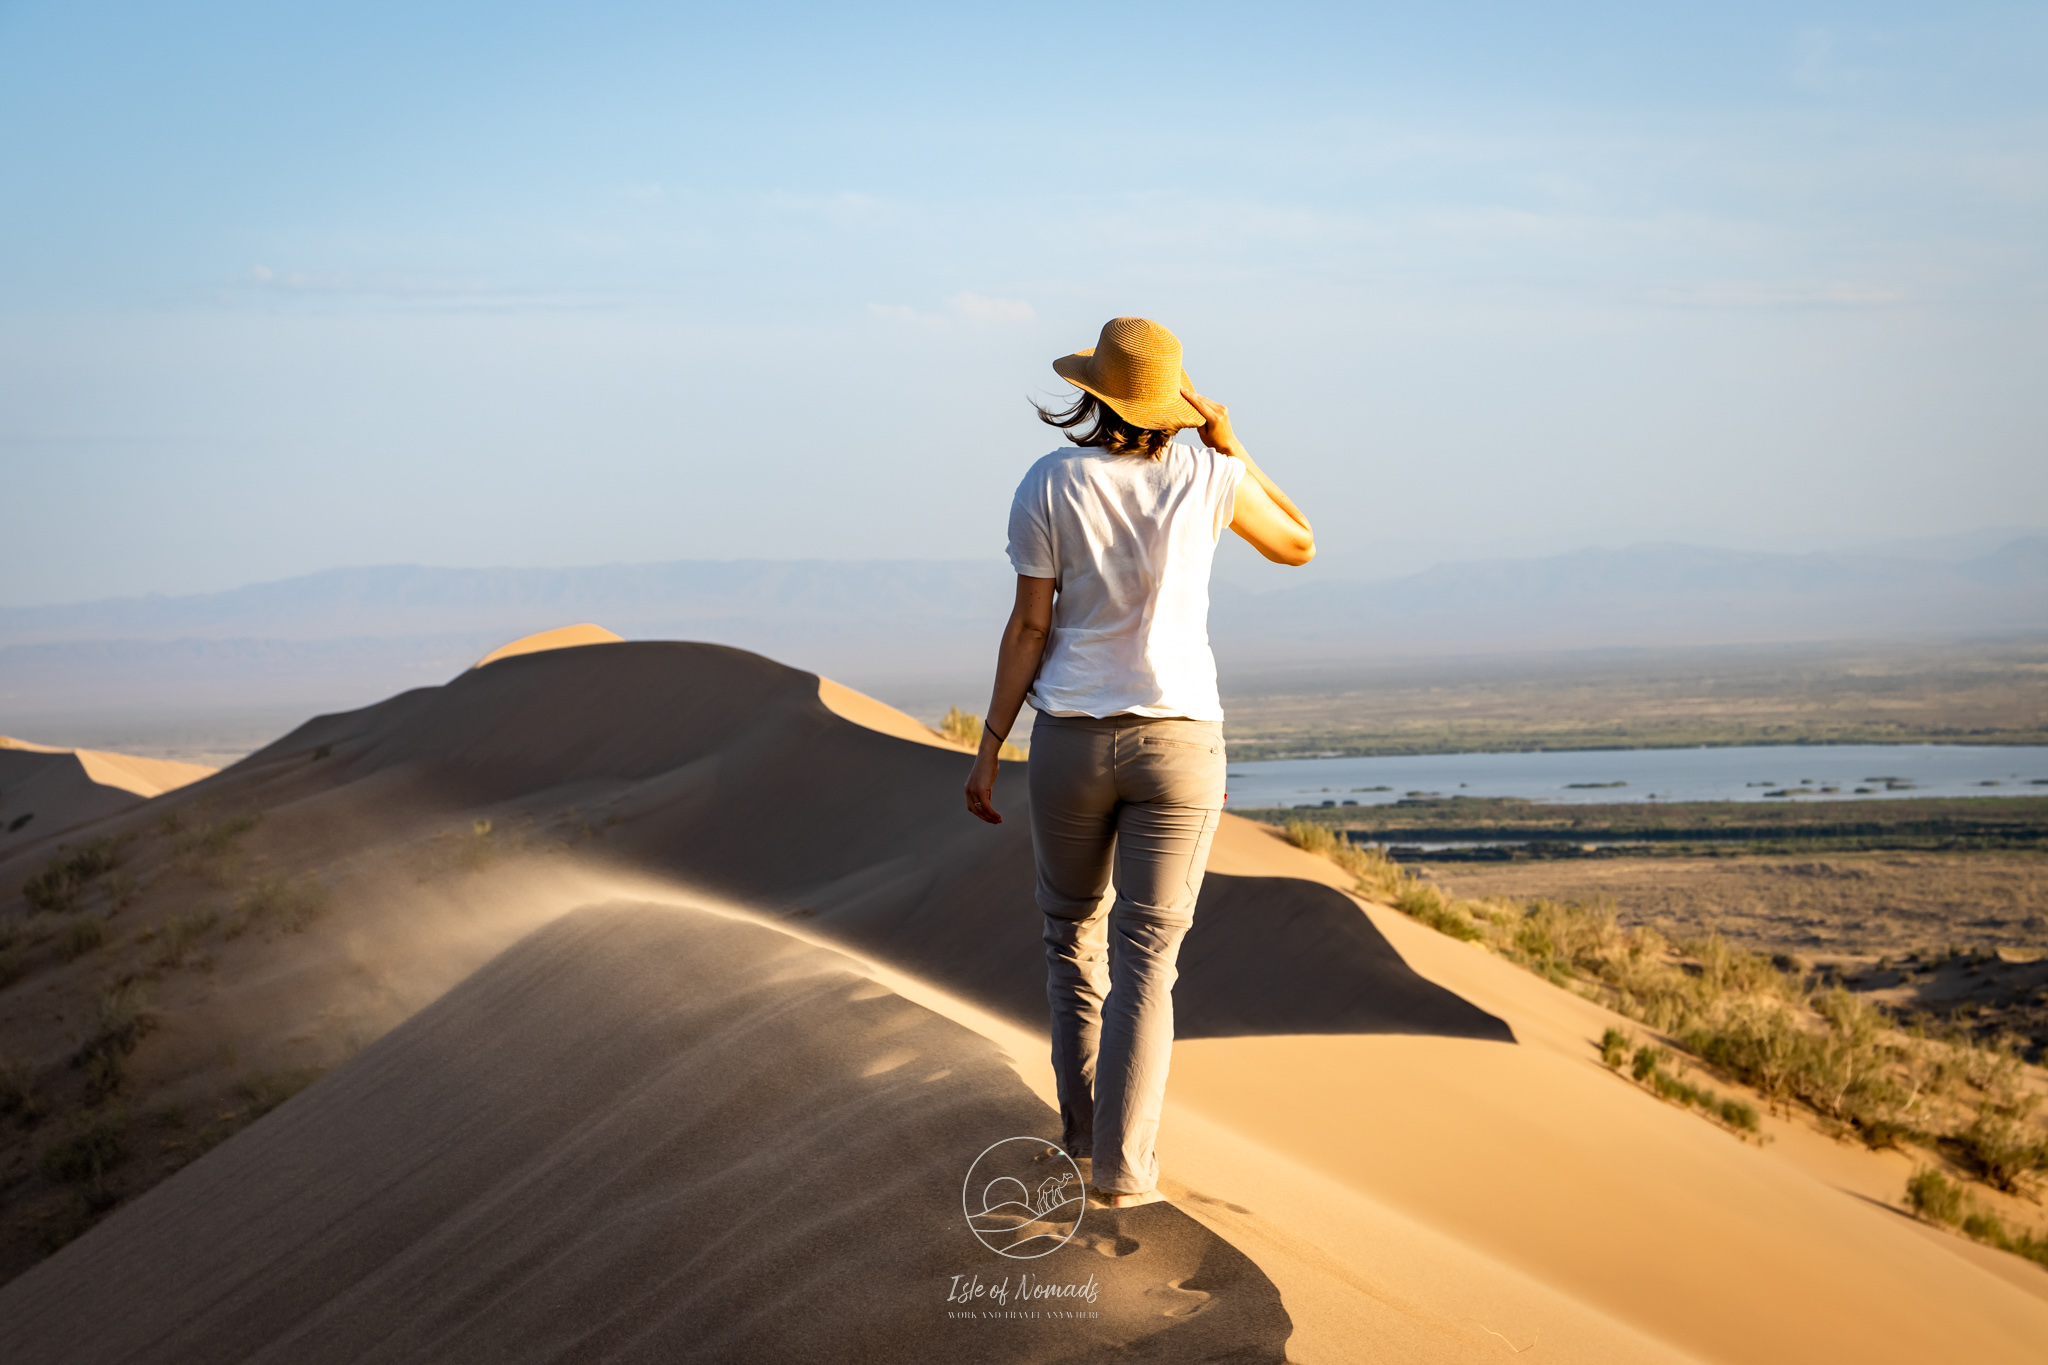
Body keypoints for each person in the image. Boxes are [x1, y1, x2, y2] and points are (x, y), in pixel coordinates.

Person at [962, 317, 1314, 1207]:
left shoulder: (1047, 481)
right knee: (1148, 959)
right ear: (1171, 400)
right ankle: (1125, 1174)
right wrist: (1236, 447)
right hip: (1181, 743)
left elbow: (1030, 627)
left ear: (1093, 391)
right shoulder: (1209, 473)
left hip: (1072, 742)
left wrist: (990, 742)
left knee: (1070, 941)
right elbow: (1299, 542)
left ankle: (1081, 1143)